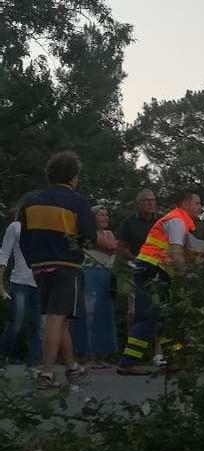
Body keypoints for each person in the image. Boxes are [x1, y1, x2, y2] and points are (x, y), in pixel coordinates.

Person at [19, 151, 96, 389]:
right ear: (73, 177)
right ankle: (47, 373)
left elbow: (23, 238)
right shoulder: (77, 201)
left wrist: (34, 261)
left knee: (59, 319)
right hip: (66, 266)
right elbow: (89, 237)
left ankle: (72, 368)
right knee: (56, 319)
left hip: (39, 268)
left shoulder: (30, 201)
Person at [117, 191, 202, 375]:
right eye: (197, 203)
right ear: (186, 204)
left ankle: (172, 359)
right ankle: (128, 362)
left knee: (164, 316)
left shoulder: (177, 221)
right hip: (152, 270)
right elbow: (176, 253)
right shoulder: (177, 221)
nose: (200, 207)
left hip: (152, 269)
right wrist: (185, 275)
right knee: (148, 316)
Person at [71, 206, 119, 368]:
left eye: (107, 215)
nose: (105, 218)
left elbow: (112, 246)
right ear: (93, 218)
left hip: (106, 275)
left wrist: (107, 245)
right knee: (88, 314)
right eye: (101, 215)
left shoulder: (109, 233)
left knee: (104, 315)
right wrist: (106, 245)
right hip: (89, 274)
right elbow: (110, 247)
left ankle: (100, 355)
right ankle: (86, 354)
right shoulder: (86, 234)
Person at [0, 206, 44, 374]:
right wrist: (1, 286)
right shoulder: (15, 227)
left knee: (37, 326)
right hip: (19, 282)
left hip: (39, 283)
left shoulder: (41, 230)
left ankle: (34, 364)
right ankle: (3, 356)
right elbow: (4, 255)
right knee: (16, 323)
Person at [117, 189, 158, 261]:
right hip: (136, 265)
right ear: (139, 203)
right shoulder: (129, 223)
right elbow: (121, 246)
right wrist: (135, 259)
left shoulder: (162, 221)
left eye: (153, 200)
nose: (150, 203)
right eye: (147, 200)